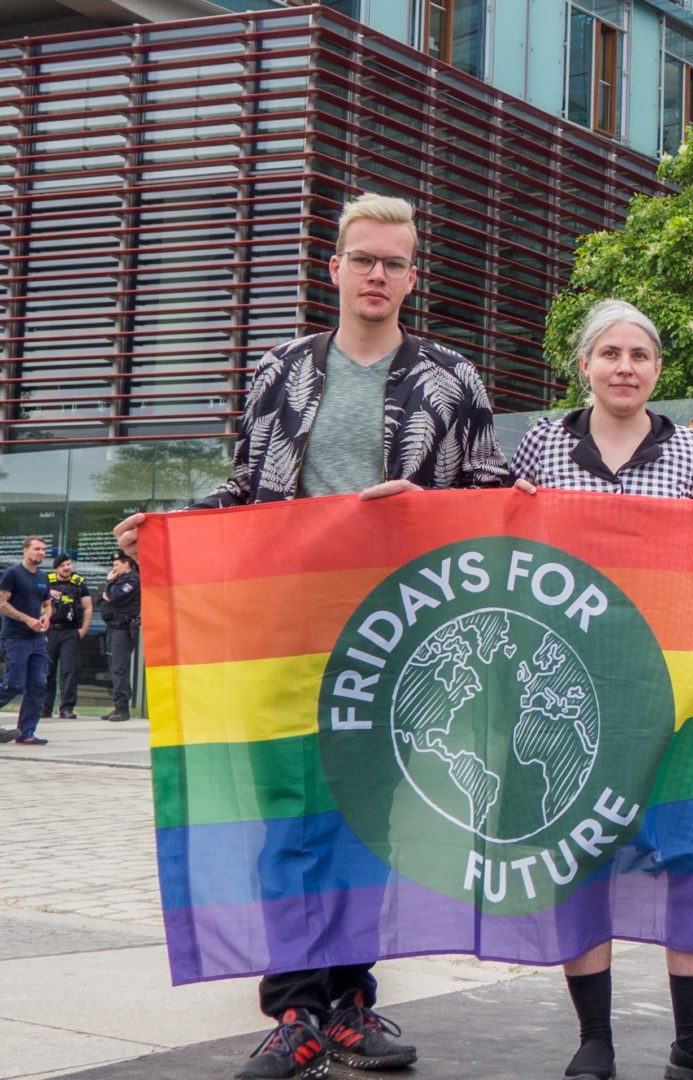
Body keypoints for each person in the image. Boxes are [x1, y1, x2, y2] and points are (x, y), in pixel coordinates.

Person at [114, 193, 512, 1080]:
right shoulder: (282, 370)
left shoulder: (452, 379)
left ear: (414, 275)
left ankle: (350, 1005)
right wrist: (168, 530)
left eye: (394, 262)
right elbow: (247, 488)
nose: (377, 274)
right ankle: (295, 1007)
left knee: (371, 824)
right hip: (286, 633)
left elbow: (494, 498)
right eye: (363, 258)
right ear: (332, 268)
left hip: (400, 639)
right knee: (288, 819)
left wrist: (428, 507)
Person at [509, 297, 693, 1080]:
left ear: (657, 370)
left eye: (640, 355)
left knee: (691, 854)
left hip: (675, 688)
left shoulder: (689, 453)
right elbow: (501, 550)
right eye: (610, 353)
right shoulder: (540, 446)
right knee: (581, 856)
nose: (625, 367)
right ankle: (596, 1039)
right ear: (584, 363)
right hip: (566, 687)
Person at [0, 536, 54, 745]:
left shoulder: (43, 577)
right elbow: (2, 604)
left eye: (43, 549)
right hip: (16, 637)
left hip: (37, 639)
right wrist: (26, 619)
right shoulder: (13, 574)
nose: (41, 552)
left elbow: (47, 604)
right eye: (37, 549)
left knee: (38, 684)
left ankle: (27, 732)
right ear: (25, 551)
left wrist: (45, 617)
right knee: (13, 684)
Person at [42, 553, 92, 721]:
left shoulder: (79, 582)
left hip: (71, 631)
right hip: (51, 630)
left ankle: (67, 708)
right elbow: (37, 602)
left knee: (69, 670)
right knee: (47, 670)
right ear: (56, 568)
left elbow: (88, 607)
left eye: (69, 564)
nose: (67, 568)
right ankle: (45, 707)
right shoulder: (47, 580)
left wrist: (83, 630)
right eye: (63, 565)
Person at [100, 552, 139, 722]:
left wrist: (110, 583)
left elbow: (115, 596)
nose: (113, 569)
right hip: (113, 627)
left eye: (116, 564)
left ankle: (122, 709)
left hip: (123, 629)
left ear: (127, 563)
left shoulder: (132, 580)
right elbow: (105, 598)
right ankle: (118, 705)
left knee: (120, 668)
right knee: (114, 668)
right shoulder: (119, 581)